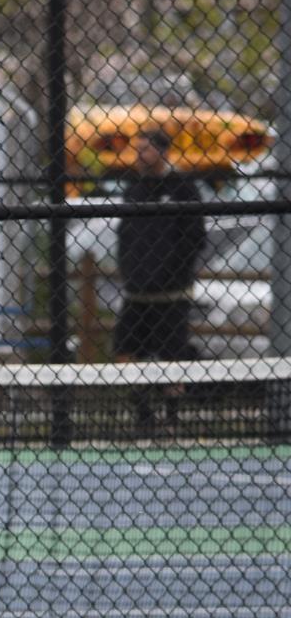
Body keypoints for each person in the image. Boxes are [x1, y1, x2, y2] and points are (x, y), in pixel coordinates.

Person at [113, 129, 206, 426]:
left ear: (163, 152)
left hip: (171, 293)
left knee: (171, 356)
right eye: (137, 149)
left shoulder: (183, 187)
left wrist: (171, 272)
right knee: (124, 350)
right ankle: (144, 413)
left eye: (146, 149)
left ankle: (172, 416)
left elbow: (194, 238)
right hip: (137, 292)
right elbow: (125, 234)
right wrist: (130, 270)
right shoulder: (134, 188)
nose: (140, 155)